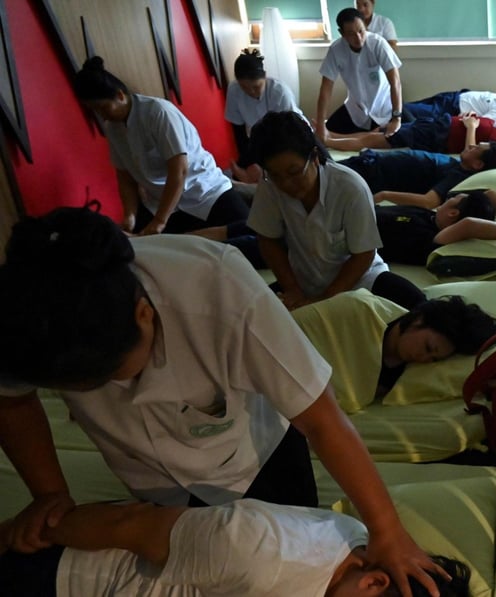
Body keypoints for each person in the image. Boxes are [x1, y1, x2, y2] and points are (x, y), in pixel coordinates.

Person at [0, 205, 445, 596]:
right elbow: (13, 402)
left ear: (144, 313)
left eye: (112, 374)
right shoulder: (26, 320)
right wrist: (50, 500)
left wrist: (386, 529)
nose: (111, 390)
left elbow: (323, 419)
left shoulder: (217, 288)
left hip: (255, 455)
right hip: (149, 481)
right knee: (185, 552)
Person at [0, 498, 469, 597]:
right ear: (375, 580)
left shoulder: (352, 550)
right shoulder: (263, 552)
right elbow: (130, 522)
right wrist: (19, 535)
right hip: (56, 578)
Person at [247, 111, 425, 311]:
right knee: (246, 312)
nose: (286, 184)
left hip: (360, 281)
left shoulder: (350, 188)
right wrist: (293, 290)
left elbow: (364, 254)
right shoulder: (269, 185)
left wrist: (325, 300)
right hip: (302, 284)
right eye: (276, 176)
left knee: (419, 306)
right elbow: (267, 239)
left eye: (294, 172)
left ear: (314, 157)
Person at [72, 57, 255, 250]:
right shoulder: (113, 129)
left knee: (249, 240)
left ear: (120, 95)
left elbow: (180, 171)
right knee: (146, 252)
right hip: (161, 200)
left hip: (204, 190)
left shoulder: (158, 112)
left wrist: (160, 221)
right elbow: (125, 177)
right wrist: (130, 216)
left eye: (103, 107)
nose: (101, 115)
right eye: (94, 110)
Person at [377, 296, 496, 397]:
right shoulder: (375, 313)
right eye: (427, 347)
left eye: (433, 359)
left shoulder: (395, 378)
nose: (424, 359)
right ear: (418, 320)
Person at [376, 189, 496, 266]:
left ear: (453, 213)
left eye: (453, 199)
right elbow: (490, 194)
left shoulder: (432, 238)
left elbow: (469, 225)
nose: (449, 198)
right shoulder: (431, 216)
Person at [338, 142, 496, 209]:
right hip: (370, 162)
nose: (471, 145)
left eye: (477, 148)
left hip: (371, 173)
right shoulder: (461, 165)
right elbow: (470, 148)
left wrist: (385, 195)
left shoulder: (458, 176)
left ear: (478, 165)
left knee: (322, 172)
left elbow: (429, 201)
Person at [317, 8, 403, 139]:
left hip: (384, 107)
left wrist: (396, 118)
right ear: (342, 33)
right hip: (356, 108)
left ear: (365, 27)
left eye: (361, 31)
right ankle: (369, 134)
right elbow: (326, 89)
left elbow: (395, 81)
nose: (358, 38)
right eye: (351, 33)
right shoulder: (336, 50)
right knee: (323, 133)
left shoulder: (377, 43)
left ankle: (371, 134)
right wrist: (320, 125)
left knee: (399, 135)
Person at [225, 48, 303, 183]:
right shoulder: (234, 91)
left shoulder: (279, 92)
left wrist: (264, 163)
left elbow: (286, 135)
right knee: (240, 173)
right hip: (260, 137)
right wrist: (249, 162)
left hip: (293, 135)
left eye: (256, 87)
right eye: (244, 87)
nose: (250, 92)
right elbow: (239, 134)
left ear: (265, 77)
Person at [325, 108, 496, 154]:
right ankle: (334, 137)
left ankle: (329, 142)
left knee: (378, 139)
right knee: (382, 130)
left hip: (436, 136)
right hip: (438, 125)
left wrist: (470, 127)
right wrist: (468, 119)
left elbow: (471, 151)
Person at [402, 81, 496, 123]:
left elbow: (483, 123)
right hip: (451, 98)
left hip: (451, 108)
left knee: (404, 109)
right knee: (411, 107)